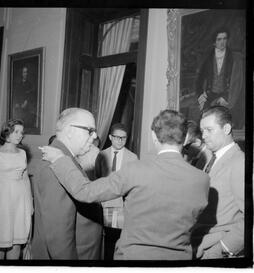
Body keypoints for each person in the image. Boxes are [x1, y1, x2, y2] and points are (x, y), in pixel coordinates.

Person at [40, 109, 210, 260]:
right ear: (185, 137)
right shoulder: (202, 180)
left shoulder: (135, 170)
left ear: (153, 136)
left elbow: (86, 192)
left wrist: (61, 160)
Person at [31, 108, 103, 260]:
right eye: (90, 130)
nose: (95, 136)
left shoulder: (63, 158)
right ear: (70, 131)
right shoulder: (54, 166)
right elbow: (58, 237)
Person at [192, 106, 244, 259]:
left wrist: (223, 249)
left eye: (209, 129)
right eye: (202, 131)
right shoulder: (211, 160)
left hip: (215, 249)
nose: (204, 136)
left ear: (226, 128)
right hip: (199, 242)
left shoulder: (240, 163)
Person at [95, 123, 138, 260]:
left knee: (119, 240)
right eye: (117, 137)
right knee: (105, 239)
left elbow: (134, 183)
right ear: (110, 137)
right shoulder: (101, 155)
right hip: (105, 204)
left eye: (123, 138)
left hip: (122, 205)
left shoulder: (133, 158)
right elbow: (97, 179)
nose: (120, 141)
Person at [0, 119, 33, 259]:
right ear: (6, 133)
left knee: (18, 240)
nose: (20, 135)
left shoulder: (22, 153)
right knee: (0, 240)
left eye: (21, 132)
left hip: (20, 199)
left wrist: (30, 203)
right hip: (2, 199)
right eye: (16, 132)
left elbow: (26, 178)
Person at [196, 27, 245, 129]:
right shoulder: (207, 57)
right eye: (219, 39)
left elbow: (237, 82)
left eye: (225, 38)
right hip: (210, 94)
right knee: (206, 122)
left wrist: (226, 97)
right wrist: (201, 94)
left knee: (226, 122)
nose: (222, 42)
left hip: (227, 95)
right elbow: (200, 78)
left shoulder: (235, 58)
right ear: (214, 42)